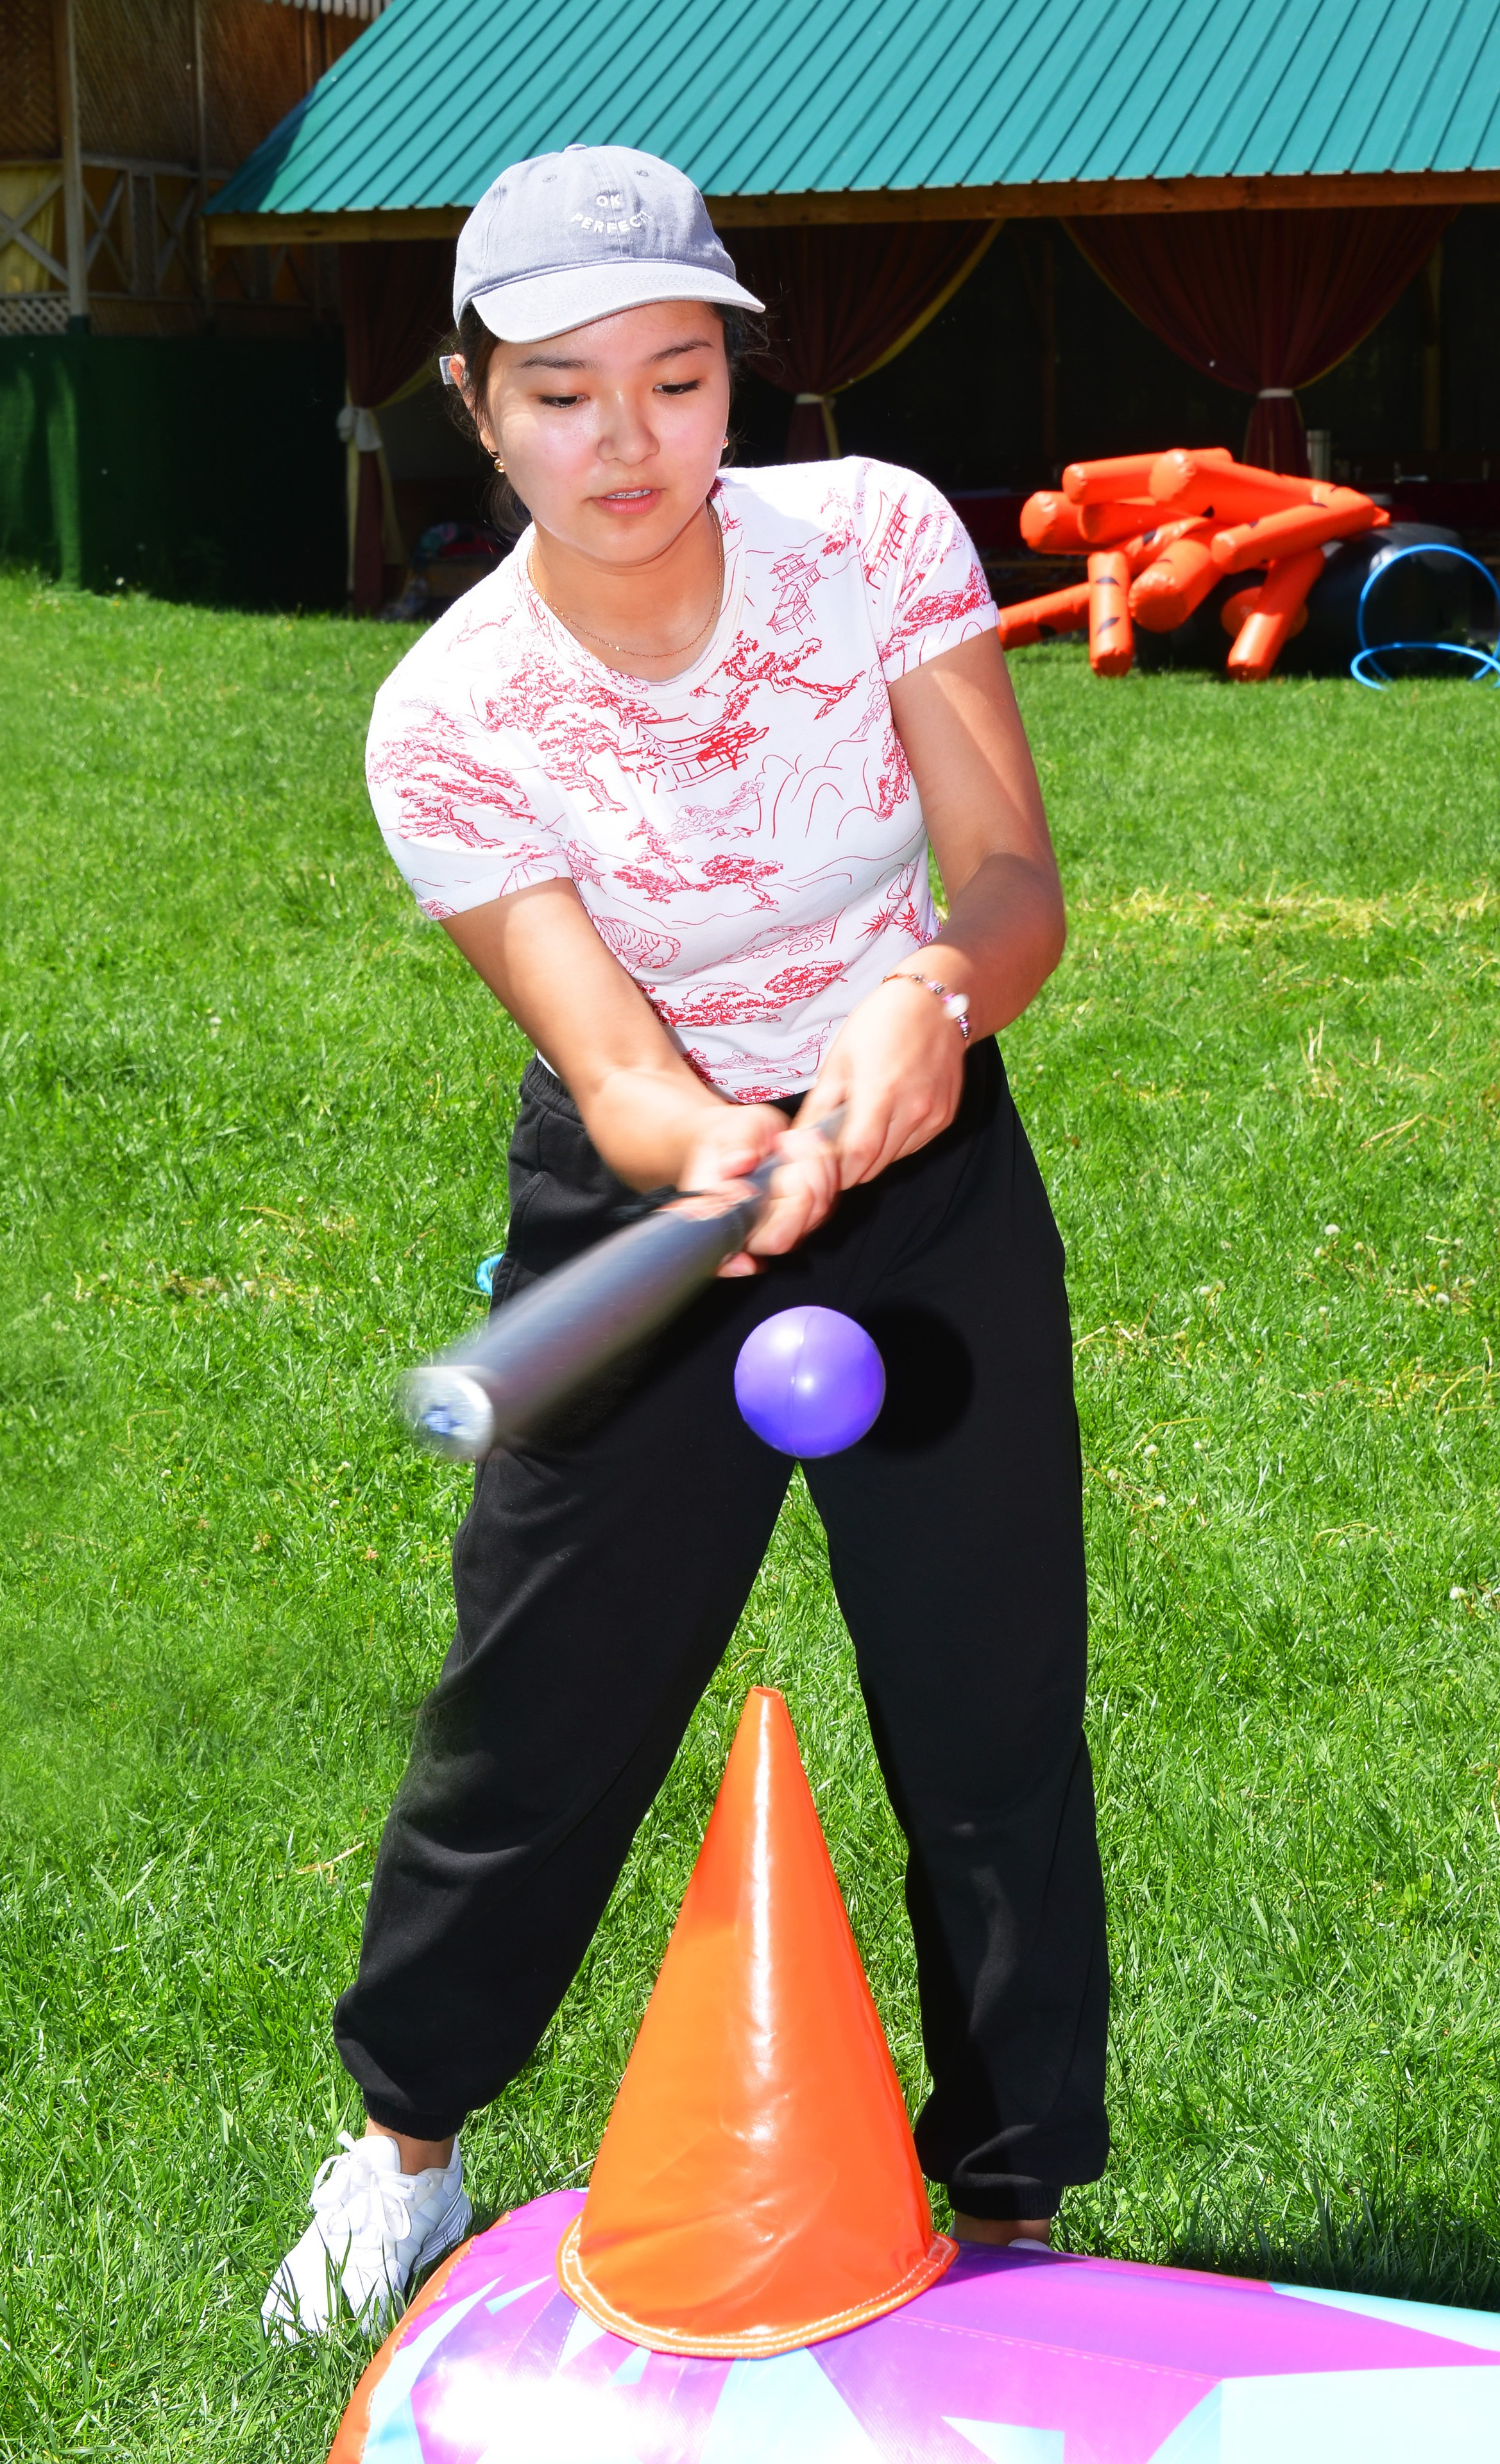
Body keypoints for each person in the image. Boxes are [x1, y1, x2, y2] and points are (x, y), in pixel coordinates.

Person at [263, 142, 1108, 2341]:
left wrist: (927, 1002)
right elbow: (618, 1070)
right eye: (559, 392)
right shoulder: (446, 718)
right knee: (540, 1699)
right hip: (652, 1192)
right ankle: (408, 2147)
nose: (625, 444)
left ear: (736, 374)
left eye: (672, 379)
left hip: (919, 1147)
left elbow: (1007, 890)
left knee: (986, 1691)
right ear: (475, 400)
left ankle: (1011, 2206)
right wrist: (712, 1153)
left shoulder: (877, 543)